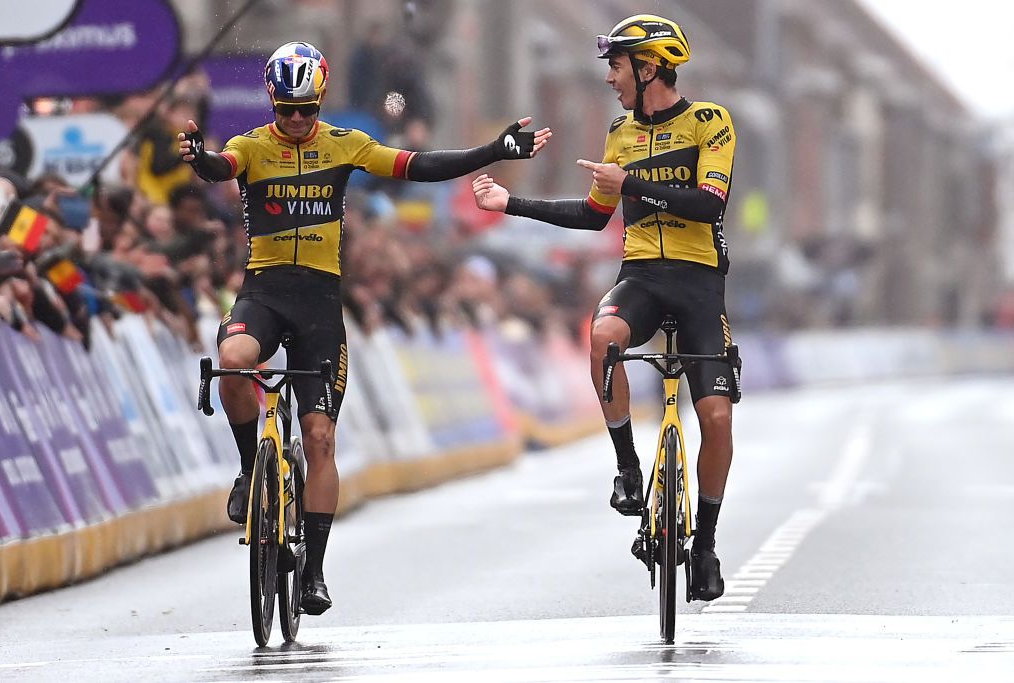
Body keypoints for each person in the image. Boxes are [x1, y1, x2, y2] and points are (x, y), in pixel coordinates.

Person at [179, 41, 550, 616]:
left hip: (321, 303)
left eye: (308, 109)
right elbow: (217, 168)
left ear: (320, 102)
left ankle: (315, 573)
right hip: (265, 292)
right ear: (273, 103)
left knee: (321, 437)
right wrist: (199, 153)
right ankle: (250, 468)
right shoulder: (250, 145)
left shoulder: (345, 145)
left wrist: (494, 149)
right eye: (287, 110)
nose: (298, 121)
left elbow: (420, 167)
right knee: (232, 362)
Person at [471, 15, 737, 601]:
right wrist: (510, 202)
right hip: (641, 274)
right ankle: (628, 467)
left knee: (716, 418)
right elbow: (593, 215)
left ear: (648, 68)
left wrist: (632, 185)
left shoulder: (709, 123)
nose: (611, 78)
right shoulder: (620, 133)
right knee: (602, 337)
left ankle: (708, 545)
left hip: (697, 282)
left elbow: (707, 204)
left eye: (617, 66)